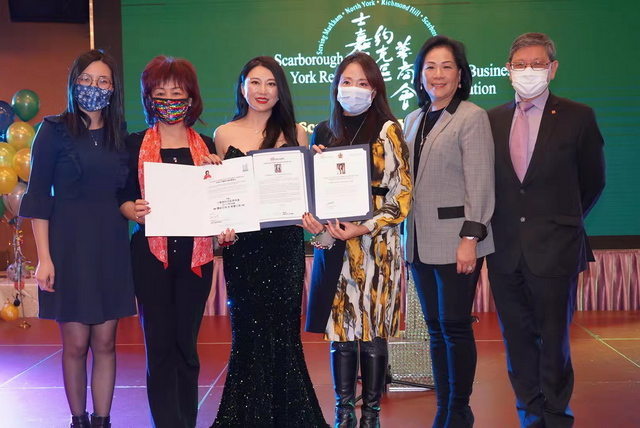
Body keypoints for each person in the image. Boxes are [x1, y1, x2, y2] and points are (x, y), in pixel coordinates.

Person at [486, 32, 605, 427]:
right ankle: (530, 415)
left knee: (554, 342)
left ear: (552, 69)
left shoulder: (578, 116)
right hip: (504, 252)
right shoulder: (491, 119)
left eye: (537, 64)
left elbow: (593, 182)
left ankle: (555, 416)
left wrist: (560, 221)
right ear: (508, 70)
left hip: (556, 249)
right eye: (520, 64)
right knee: (517, 341)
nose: (529, 71)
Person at [210, 56, 328, 428]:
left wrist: (318, 172)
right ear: (242, 86)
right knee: (247, 335)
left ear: (281, 91)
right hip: (243, 248)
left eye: (272, 83)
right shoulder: (223, 134)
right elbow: (222, 194)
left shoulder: (297, 134)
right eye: (256, 82)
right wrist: (220, 221)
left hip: (285, 246)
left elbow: (307, 195)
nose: (263, 91)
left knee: (284, 335)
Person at [19, 49, 135, 428]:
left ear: (113, 89)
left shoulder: (121, 136)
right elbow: (38, 198)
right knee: (76, 344)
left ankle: (103, 421)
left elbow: (129, 192)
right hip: (67, 250)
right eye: (86, 79)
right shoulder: (53, 130)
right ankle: (78, 420)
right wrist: (44, 258)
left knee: (106, 344)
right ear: (74, 83)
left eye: (102, 81)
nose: (93, 87)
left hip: (111, 249)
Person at [118, 56, 232, 428]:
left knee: (186, 345)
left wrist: (216, 181)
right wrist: (132, 210)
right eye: (160, 94)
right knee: (159, 346)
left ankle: (186, 420)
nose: (169, 101)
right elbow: (122, 196)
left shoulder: (207, 146)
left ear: (191, 98)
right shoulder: (135, 144)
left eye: (177, 94)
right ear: (149, 98)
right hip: (150, 257)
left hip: (196, 260)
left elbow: (220, 204)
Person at [302, 52, 412, 428]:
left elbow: (402, 196)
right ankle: (344, 412)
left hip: (375, 246)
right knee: (342, 333)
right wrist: (312, 170)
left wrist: (363, 228)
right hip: (335, 245)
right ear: (336, 87)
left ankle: (372, 415)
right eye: (347, 82)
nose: (353, 89)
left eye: (363, 83)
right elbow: (312, 197)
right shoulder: (323, 132)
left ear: (375, 89)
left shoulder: (388, 130)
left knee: (373, 334)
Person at [402, 35, 495, 428]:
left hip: (458, 241)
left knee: (455, 327)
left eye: (446, 67)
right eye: (430, 67)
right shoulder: (413, 119)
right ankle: (444, 406)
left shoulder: (472, 116)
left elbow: (481, 182)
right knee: (436, 330)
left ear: (460, 75)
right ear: (419, 75)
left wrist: (470, 239)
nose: (437, 74)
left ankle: (459, 410)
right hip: (418, 242)